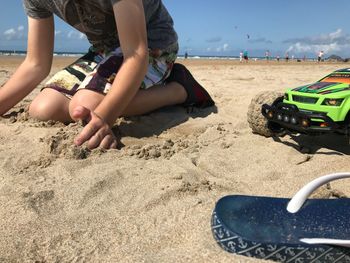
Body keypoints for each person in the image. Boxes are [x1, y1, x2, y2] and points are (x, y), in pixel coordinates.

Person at [0, 0, 214, 150]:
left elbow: (136, 53)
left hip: (152, 45)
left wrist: (105, 118)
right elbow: (36, 64)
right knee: (42, 109)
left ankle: (179, 89)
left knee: (84, 105)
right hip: (103, 51)